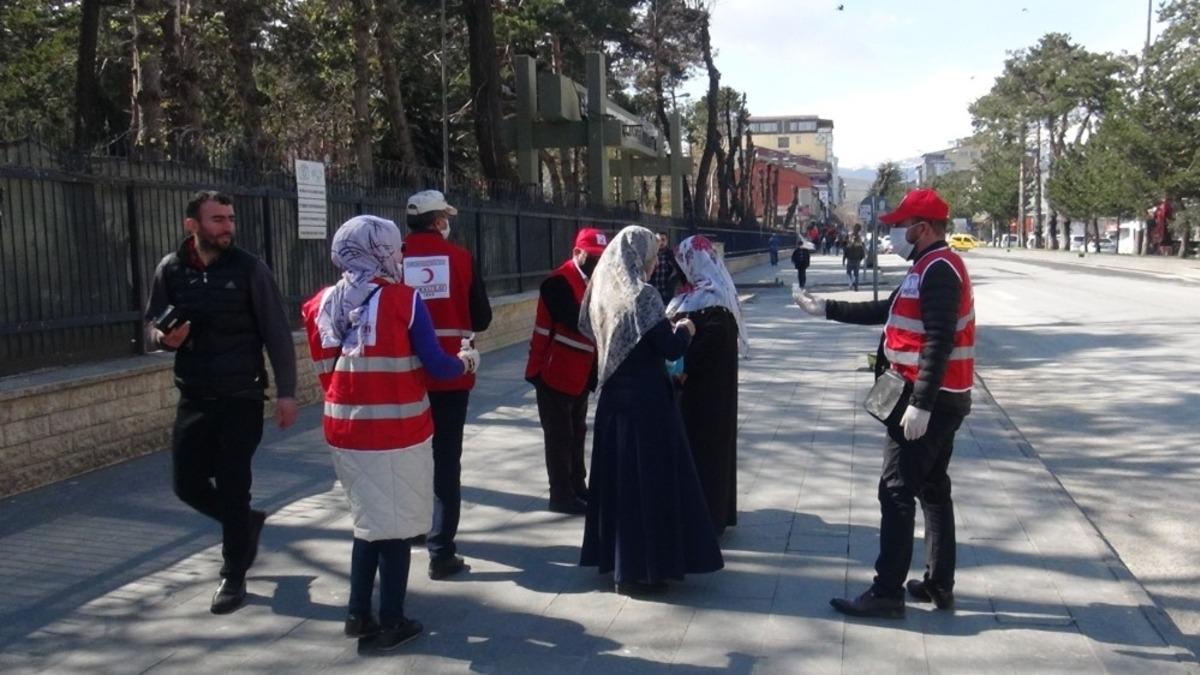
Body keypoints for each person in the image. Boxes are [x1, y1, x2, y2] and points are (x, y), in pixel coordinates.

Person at [301, 216, 481, 650]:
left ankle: (357, 613)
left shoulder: (320, 304)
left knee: (368, 523)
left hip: (345, 429)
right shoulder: (406, 301)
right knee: (396, 529)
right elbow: (438, 366)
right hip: (397, 430)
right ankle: (392, 619)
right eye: (396, 248)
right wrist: (467, 360)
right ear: (379, 251)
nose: (401, 255)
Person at [794, 188, 974, 619]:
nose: (891, 232)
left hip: (928, 398)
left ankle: (887, 592)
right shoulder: (926, 267)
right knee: (933, 488)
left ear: (922, 228)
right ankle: (937, 582)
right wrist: (827, 309)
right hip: (935, 397)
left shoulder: (940, 270)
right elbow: (887, 310)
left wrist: (923, 404)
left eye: (899, 225)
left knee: (896, 490)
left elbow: (938, 339)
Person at [144, 190, 298, 615]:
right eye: (217, 219)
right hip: (194, 394)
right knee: (186, 484)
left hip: (241, 396)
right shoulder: (170, 270)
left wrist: (286, 393)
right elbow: (151, 327)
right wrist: (163, 339)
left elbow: (277, 334)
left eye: (230, 218)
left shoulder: (251, 269)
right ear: (191, 224)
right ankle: (245, 523)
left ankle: (233, 573)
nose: (227, 226)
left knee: (233, 484)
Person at [578, 225, 724, 596]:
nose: (655, 261)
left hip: (613, 399)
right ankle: (649, 566)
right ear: (638, 255)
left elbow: (586, 330)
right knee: (648, 482)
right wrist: (686, 329)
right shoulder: (642, 295)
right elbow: (670, 348)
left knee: (619, 482)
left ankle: (618, 562)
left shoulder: (601, 292)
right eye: (652, 254)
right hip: (646, 402)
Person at [402, 189, 492, 580]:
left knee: (409, 455)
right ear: (439, 221)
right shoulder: (461, 258)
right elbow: (483, 317)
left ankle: (414, 527)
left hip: (404, 375)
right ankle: (441, 551)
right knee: (445, 459)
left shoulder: (394, 258)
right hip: (452, 373)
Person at [666, 235, 749, 536]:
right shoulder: (693, 298)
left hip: (705, 397)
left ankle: (707, 518)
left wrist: (683, 369)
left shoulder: (714, 304)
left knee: (706, 454)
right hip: (693, 396)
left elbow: (706, 350)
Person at [525, 228, 609, 515]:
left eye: (602, 257)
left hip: (578, 373)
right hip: (552, 372)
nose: (598, 263)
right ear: (577, 253)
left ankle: (578, 486)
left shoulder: (593, 282)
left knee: (577, 433)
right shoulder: (557, 282)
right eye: (594, 257)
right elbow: (578, 321)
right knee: (560, 436)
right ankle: (560, 494)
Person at [649, 231, 679, 303]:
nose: (661, 243)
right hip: (653, 292)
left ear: (667, 241)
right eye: (658, 240)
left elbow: (677, 272)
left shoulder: (671, 255)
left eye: (663, 240)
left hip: (667, 293)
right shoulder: (651, 254)